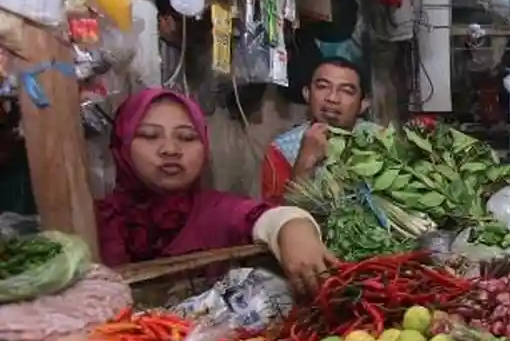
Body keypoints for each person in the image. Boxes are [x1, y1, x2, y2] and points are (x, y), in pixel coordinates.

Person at [95, 87, 337, 295]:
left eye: (187, 137)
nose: (170, 149)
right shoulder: (92, 221)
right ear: (122, 145)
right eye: (149, 135)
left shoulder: (213, 211)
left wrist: (294, 228)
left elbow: (263, 216)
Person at [261, 57, 376, 202]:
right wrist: (305, 162)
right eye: (322, 87)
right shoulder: (281, 151)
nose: (332, 98)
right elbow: (277, 217)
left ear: (364, 103)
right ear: (307, 94)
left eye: (346, 91)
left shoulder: (381, 141)